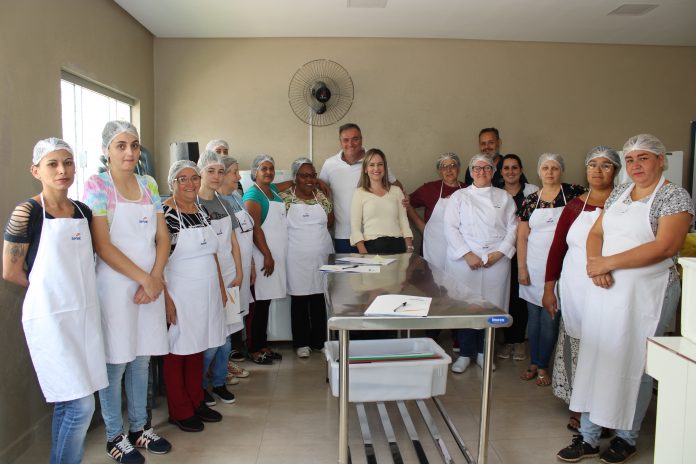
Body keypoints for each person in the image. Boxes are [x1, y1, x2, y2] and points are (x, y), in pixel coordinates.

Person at [558, 134, 693, 463]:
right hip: (606, 289)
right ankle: (589, 437)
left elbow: (665, 247)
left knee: (636, 363)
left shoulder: (674, 196)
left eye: (644, 158)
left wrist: (609, 263)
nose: (636, 165)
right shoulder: (620, 192)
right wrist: (595, 265)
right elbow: (596, 233)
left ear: (661, 160)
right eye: (631, 159)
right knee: (597, 357)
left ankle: (627, 438)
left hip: (648, 293)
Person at [2, 138, 108, 464]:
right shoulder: (28, 212)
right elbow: (10, 270)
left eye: (68, 162)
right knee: (80, 406)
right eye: (53, 164)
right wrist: (48, 294)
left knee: (70, 401)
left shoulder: (83, 211)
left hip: (84, 318)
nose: (62, 170)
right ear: (36, 170)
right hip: (50, 319)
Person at [83, 121, 171, 463]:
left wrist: (156, 276)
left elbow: (162, 236)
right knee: (116, 362)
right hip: (116, 287)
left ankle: (139, 428)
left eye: (134, 145)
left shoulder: (148, 184)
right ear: (107, 149)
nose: (129, 152)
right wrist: (144, 280)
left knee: (141, 359)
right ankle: (113, 437)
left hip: (149, 284)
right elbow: (103, 245)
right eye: (121, 145)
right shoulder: (97, 186)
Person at [541, 147, 620, 433]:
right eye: (592, 165)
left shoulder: (623, 203)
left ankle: (607, 409)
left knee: (606, 347)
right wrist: (549, 288)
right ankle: (578, 406)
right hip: (575, 290)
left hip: (611, 288)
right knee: (578, 344)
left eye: (606, 165)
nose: (598, 171)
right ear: (585, 170)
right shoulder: (574, 206)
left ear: (616, 171)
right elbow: (557, 249)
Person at [161, 160, 226, 432]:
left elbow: (213, 253)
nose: (190, 183)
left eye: (194, 178)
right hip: (180, 292)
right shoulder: (165, 215)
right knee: (178, 352)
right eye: (182, 179)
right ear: (172, 184)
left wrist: (221, 287)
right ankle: (179, 409)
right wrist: (166, 300)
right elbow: (158, 262)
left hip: (207, 292)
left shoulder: (200, 210)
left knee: (198, 347)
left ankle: (196, 400)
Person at [444, 154, 517, 373]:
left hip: (496, 260)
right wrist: (467, 254)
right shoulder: (459, 196)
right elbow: (450, 228)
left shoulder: (504, 197)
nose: (482, 172)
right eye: (477, 168)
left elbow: (513, 228)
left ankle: (485, 354)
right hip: (466, 261)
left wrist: (500, 253)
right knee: (467, 307)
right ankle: (465, 354)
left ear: (493, 172)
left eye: (487, 168)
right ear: (471, 171)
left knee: (491, 308)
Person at [517, 153, 584, 387]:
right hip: (534, 267)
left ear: (561, 170)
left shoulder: (574, 193)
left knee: (550, 318)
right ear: (538, 171)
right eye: (545, 167)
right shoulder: (530, 200)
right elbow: (522, 236)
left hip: (562, 267)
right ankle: (534, 362)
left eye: (554, 167)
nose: (550, 172)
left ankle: (543, 363)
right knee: (533, 318)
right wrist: (521, 269)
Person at [196, 151, 243, 407]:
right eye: (210, 171)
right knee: (212, 340)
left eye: (220, 172)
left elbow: (233, 241)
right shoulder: (194, 205)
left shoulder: (225, 203)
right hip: (208, 278)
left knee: (226, 339)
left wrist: (239, 271)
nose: (216, 176)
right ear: (200, 172)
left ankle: (219, 382)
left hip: (229, 277)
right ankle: (201, 386)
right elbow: (208, 249)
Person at [279, 158, 334, 358]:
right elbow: (265, 189)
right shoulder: (285, 197)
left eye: (313, 175)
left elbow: (329, 221)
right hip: (296, 256)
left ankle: (319, 341)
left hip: (321, 255)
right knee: (300, 299)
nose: (309, 179)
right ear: (295, 177)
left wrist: (319, 186)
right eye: (304, 175)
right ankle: (301, 343)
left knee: (320, 298)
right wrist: (292, 183)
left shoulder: (322, 197)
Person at [319, 123, 401, 253]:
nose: (350, 144)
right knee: (348, 274)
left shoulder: (373, 161)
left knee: (377, 273)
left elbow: (397, 188)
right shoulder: (330, 165)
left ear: (361, 139)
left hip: (374, 236)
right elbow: (319, 193)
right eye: (346, 140)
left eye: (355, 139)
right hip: (344, 237)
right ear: (340, 142)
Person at [243, 154, 287, 364]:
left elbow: (286, 184)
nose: (268, 172)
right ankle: (253, 348)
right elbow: (254, 229)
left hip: (273, 256)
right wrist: (267, 255)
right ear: (255, 172)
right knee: (257, 305)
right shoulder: (253, 195)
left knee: (265, 303)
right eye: (264, 169)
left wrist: (307, 181)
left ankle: (263, 344)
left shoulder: (273, 190)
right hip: (261, 257)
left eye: (271, 168)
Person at [497, 154, 539, 361]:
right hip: (501, 253)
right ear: (501, 171)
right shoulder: (495, 193)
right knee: (505, 297)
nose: (510, 172)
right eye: (506, 168)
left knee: (520, 297)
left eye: (515, 167)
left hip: (525, 252)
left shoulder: (532, 192)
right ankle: (506, 341)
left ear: (521, 170)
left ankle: (519, 342)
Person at [218, 156, 253, 377]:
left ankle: (224, 363)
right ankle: (221, 368)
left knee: (233, 320)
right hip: (228, 271)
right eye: (234, 172)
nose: (239, 177)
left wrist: (247, 268)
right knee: (225, 322)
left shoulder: (237, 197)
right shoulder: (215, 203)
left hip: (242, 268)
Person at [407, 152, 465, 269]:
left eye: (452, 165)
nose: (449, 170)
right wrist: (421, 225)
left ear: (458, 169)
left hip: (460, 248)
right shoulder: (429, 189)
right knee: (433, 283)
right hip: (434, 246)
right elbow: (406, 203)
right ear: (439, 171)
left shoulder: (467, 190)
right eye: (444, 167)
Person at [350, 148, 414, 254]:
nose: (376, 168)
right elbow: (355, 228)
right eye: (371, 165)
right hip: (372, 248)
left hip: (398, 247)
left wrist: (409, 249)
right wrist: (364, 255)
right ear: (365, 169)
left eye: (380, 164)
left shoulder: (397, 191)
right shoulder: (359, 193)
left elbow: (404, 222)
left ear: (385, 167)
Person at [463, 127, 528, 187]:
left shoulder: (509, 165)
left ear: (499, 143)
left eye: (491, 142)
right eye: (483, 143)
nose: (486, 147)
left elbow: (524, 191)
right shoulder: (473, 168)